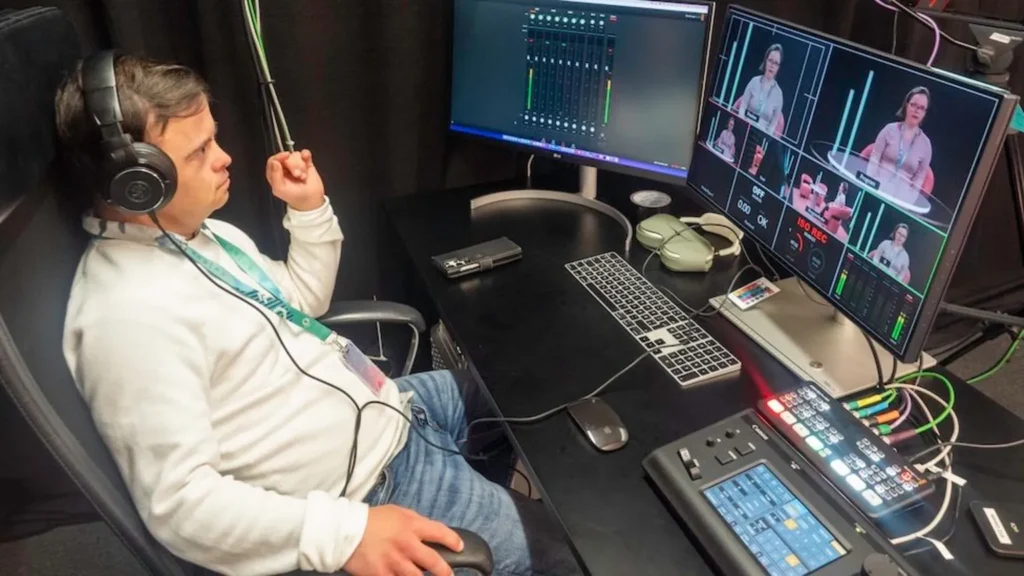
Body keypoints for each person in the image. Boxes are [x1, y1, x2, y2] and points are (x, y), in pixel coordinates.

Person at [56, 52, 579, 576]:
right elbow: (181, 507)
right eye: (198, 152)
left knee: (520, 390)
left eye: (214, 138)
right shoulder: (127, 319)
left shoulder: (196, 236)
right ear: (135, 182)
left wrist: (308, 211)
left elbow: (301, 301)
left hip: (392, 413)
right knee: (567, 555)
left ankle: (487, 510)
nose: (224, 158)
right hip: (370, 492)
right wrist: (348, 536)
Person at [866, 86, 933, 193]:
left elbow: (919, 179)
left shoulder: (926, 145)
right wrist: (870, 185)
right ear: (906, 105)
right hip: (876, 188)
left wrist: (908, 201)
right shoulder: (889, 130)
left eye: (921, 108)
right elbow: (874, 158)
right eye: (914, 105)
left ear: (925, 112)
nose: (916, 111)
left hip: (901, 199)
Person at [738, 43, 785, 135]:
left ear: (779, 67)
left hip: (760, 136)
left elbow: (773, 125)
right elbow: (742, 107)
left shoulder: (779, 94)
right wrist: (741, 126)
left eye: (776, 63)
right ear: (765, 60)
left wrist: (764, 140)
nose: (772, 65)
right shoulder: (754, 81)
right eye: (770, 61)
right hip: (743, 129)